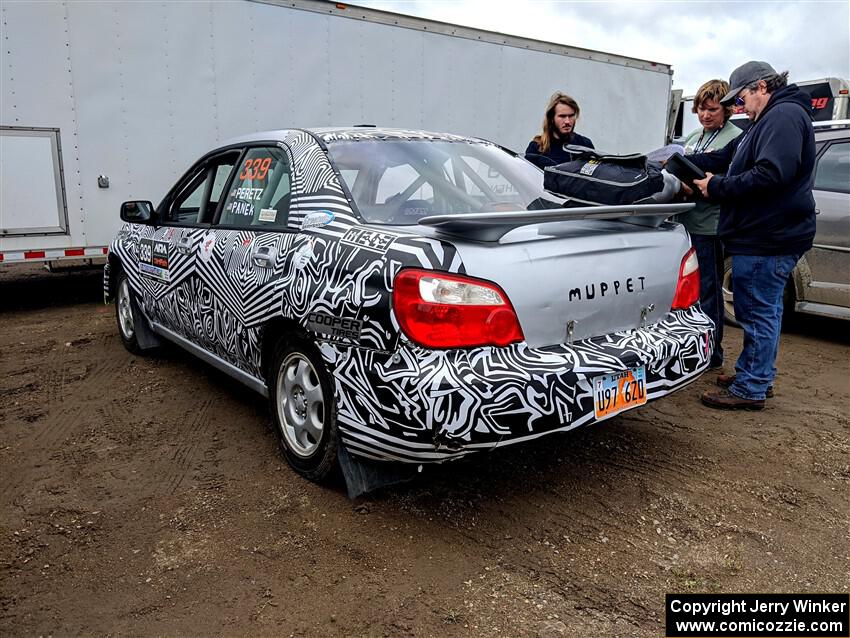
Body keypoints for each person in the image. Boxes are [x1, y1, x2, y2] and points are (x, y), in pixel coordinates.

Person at [688, 61, 816, 410]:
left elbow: (771, 174)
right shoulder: (775, 116)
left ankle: (751, 387)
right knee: (763, 310)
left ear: (761, 87)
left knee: (757, 310)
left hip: (768, 235)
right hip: (767, 233)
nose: (739, 106)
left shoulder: (783, 116)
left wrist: (718, 186)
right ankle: (756, 373)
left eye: (741, 97)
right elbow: (738, 158)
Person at [675, 79, 742, 370]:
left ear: (726, 109)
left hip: (710, 227)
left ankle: (712, 353)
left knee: (709, 292)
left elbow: (729, 180)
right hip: (684, 224)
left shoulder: (735, 137)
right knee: (686, 293)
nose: (705, 115)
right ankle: (690, 349)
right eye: (701, 109)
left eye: (712, 109)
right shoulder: (692, 137)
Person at [525, 92, 594, 168]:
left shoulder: (585, 145)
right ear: (551, 118)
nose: (567, 121)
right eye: (562, 116)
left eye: (571, 116)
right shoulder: (537, 148)